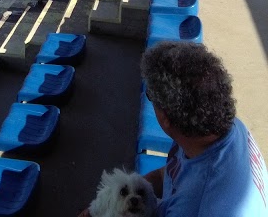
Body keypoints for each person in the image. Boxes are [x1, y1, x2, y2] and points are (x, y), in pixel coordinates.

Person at [78, 41, 268, 217]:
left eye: (151, 96)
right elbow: (167, 175)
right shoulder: (228, 127)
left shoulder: (198, 207)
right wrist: (103, 205)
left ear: (166, 117)